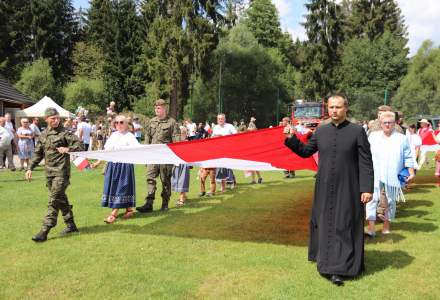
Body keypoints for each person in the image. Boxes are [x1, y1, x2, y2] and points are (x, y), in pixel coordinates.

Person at [284, 94, 374, 286]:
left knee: (344, 224)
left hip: (349, 186)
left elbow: (366, 162)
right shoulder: (321, 131)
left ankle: (341, 267)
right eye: (331, 107)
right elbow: (306, 151)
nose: (334, 110)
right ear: (328, 108)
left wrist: (366, 188)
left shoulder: (357, 131)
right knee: (326, 223)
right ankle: (326, 262)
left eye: (338, 107)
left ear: (346, 108)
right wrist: (292, 138)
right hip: (324, 187)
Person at [25, 107, 84, 242]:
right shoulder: (43, 135)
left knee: (53, 201)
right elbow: (38, 154)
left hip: (61, 173)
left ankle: (44, 230)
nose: (56, 121)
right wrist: (30, 168)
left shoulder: (65, 133)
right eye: (53, 119)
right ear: (46, 119)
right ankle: (71, 225)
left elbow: (80, 145)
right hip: (49, 174)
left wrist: (68, 148)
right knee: (61, 199)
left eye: (58, 118)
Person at [366, 111, 415, 236]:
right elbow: (365, 155)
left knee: (391, 200)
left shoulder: (402, 138)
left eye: (390, 122)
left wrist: (410, 172)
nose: (387, 125)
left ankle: (386, 226)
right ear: (380, 123)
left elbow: (408, 157)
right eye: (385, 122)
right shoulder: (373, 136)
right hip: (375, 172)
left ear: (395, 123)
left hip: (393, 173)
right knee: (372, 199)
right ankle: (371, 228)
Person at [91, 115, 139, 223]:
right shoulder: (113, 135)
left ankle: (113, 214)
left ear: (127, 124)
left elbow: (137, 150)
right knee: (114, 188)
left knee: (121, 188)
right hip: (113, 166)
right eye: (116, 122)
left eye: (121, 122)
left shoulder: (130, 136)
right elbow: (107, 151)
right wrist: (98, 162)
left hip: (125, 166)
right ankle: (129, 209)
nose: (119, 124)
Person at [136, 99, 180, 213]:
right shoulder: (152, 122)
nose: (156, 109)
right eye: (155, 107)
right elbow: (147, 139)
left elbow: (176, 141)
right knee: (150, 178)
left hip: (165, 156)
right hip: (152, 155)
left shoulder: (172, 122)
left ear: (165, 108)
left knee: (165, 180)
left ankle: (165, 204)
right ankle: (149, 203)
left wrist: (176, 157)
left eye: (159, 107)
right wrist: (146, 154)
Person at [212, 114, 237, 193]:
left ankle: (231, 181)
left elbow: (236, 135)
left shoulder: (229, 126)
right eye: (219, 119)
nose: (220, 120)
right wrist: (216, 136)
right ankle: (223, 186)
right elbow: (212, 137)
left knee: (228, 166)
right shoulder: (215, 127)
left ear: (225, 119)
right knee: (221, 167)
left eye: (222, 119)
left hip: (228, 149)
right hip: (218, 150)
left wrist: (225, 138)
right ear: (217, 120)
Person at [171, 127, 192, 206]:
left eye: (183, 133)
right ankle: (184, 196)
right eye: (180, 133)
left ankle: (181, 199)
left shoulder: (186, 142)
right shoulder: (176, 142)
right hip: (177, 164)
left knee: (182, 181)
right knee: (177, 180)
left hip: (183, 165)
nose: (181, 135)